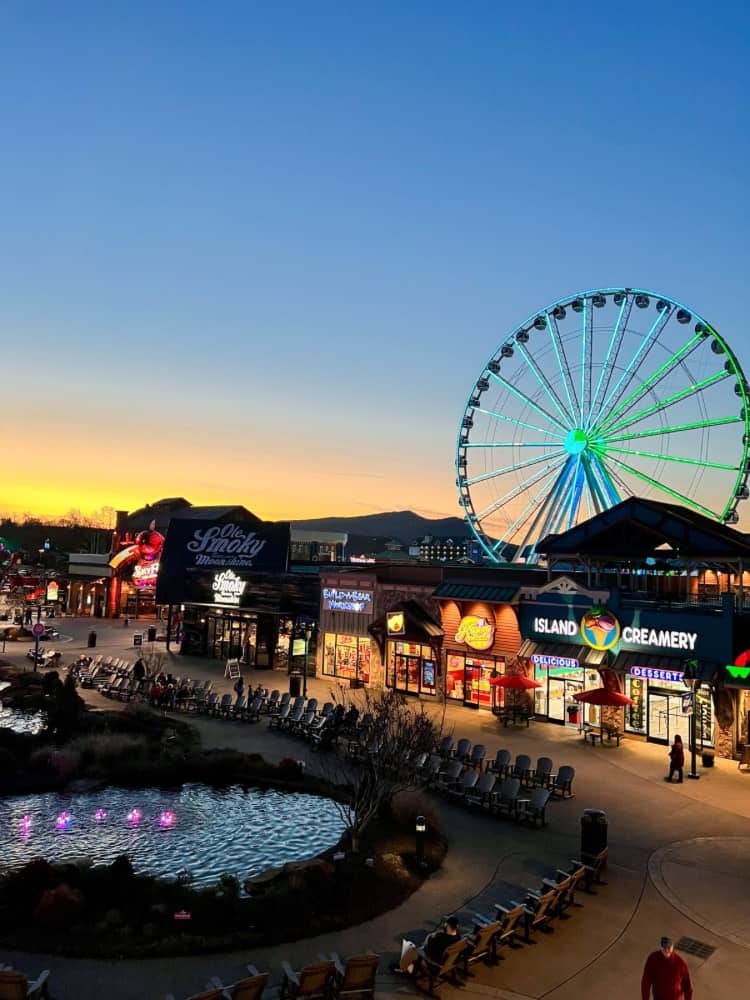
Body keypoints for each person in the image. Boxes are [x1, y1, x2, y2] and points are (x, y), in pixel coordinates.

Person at [390, 915, 463, 974]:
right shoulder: (458, 937)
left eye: (445, 923)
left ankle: (402, 968)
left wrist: (429, 937)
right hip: (446, 963)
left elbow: (428, 949)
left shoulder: (441, 939)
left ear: (447, 926)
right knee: (418, 949)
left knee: (410, 947)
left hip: (433, 964)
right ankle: (408, 966)